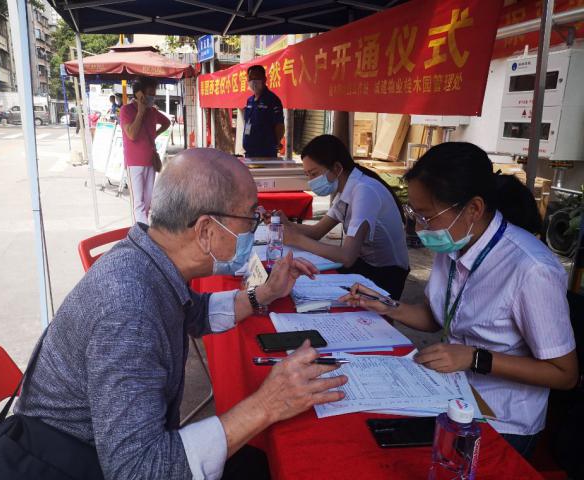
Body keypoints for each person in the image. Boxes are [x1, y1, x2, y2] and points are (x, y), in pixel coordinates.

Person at [0, 149, 347, 480]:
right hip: (77, 464)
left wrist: (264, 294)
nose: (256, 226)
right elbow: (138, 470)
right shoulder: (128, 309)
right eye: (250, 217)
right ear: (206, 231)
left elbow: (194, 313)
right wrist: (265, 405)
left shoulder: (148, 259)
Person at [340, 142, 578, 458]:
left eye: (427, 216)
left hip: (502, 419)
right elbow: (437, 317)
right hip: (450, 394)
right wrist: (388, 305)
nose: (418, 227)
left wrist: (474, 358)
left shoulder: (531, 269)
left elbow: (564, 374)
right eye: (414, 214)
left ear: (474, 209)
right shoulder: (454, 244)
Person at [280, 134, 409, 299]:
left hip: (387, 273)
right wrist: (285, 224)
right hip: (365, 264)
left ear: (336, 168)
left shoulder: (364, 190)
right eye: (307, 175)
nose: (311, 181)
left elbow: (347, 256)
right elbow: (317, 231)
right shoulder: (346, 189)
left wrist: (296, 239)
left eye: (314, 174)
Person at [120, 77, 171, 224]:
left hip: (150, 161)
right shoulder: (126, 110)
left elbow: (166, 122)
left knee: (147, 202)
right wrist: (140, 113)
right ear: (139, 94)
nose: (152, 98)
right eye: (149, 94)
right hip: (134, 163)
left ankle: (143, 229)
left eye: (154, 94)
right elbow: (131, 134)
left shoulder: (152, 111)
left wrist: (155, 134)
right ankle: (141, 233)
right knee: (138, 204)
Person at [242, 64, 284, 158]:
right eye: (250, 78)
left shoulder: (273, 100)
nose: (253, 81)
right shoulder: (250, 100)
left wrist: (277, 142)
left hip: (266, 153)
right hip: (249, 152)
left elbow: (279, 124)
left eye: (256, 77)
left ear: (264, 79)